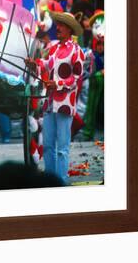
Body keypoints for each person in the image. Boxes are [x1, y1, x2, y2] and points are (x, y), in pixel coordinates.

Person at [26, 11, 84, 184]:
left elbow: (76, 78)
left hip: (65, 105)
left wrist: (57, 84)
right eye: (57, 24)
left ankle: (61, 182)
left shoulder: (77, 51)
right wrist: (34, 63)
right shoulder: (55, 48)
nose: (57, 27)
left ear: (70, 29)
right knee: (49, 145)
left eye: (61, 25)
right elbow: (46, 64)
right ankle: (50, 181)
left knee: (62, 148)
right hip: (50, 104)